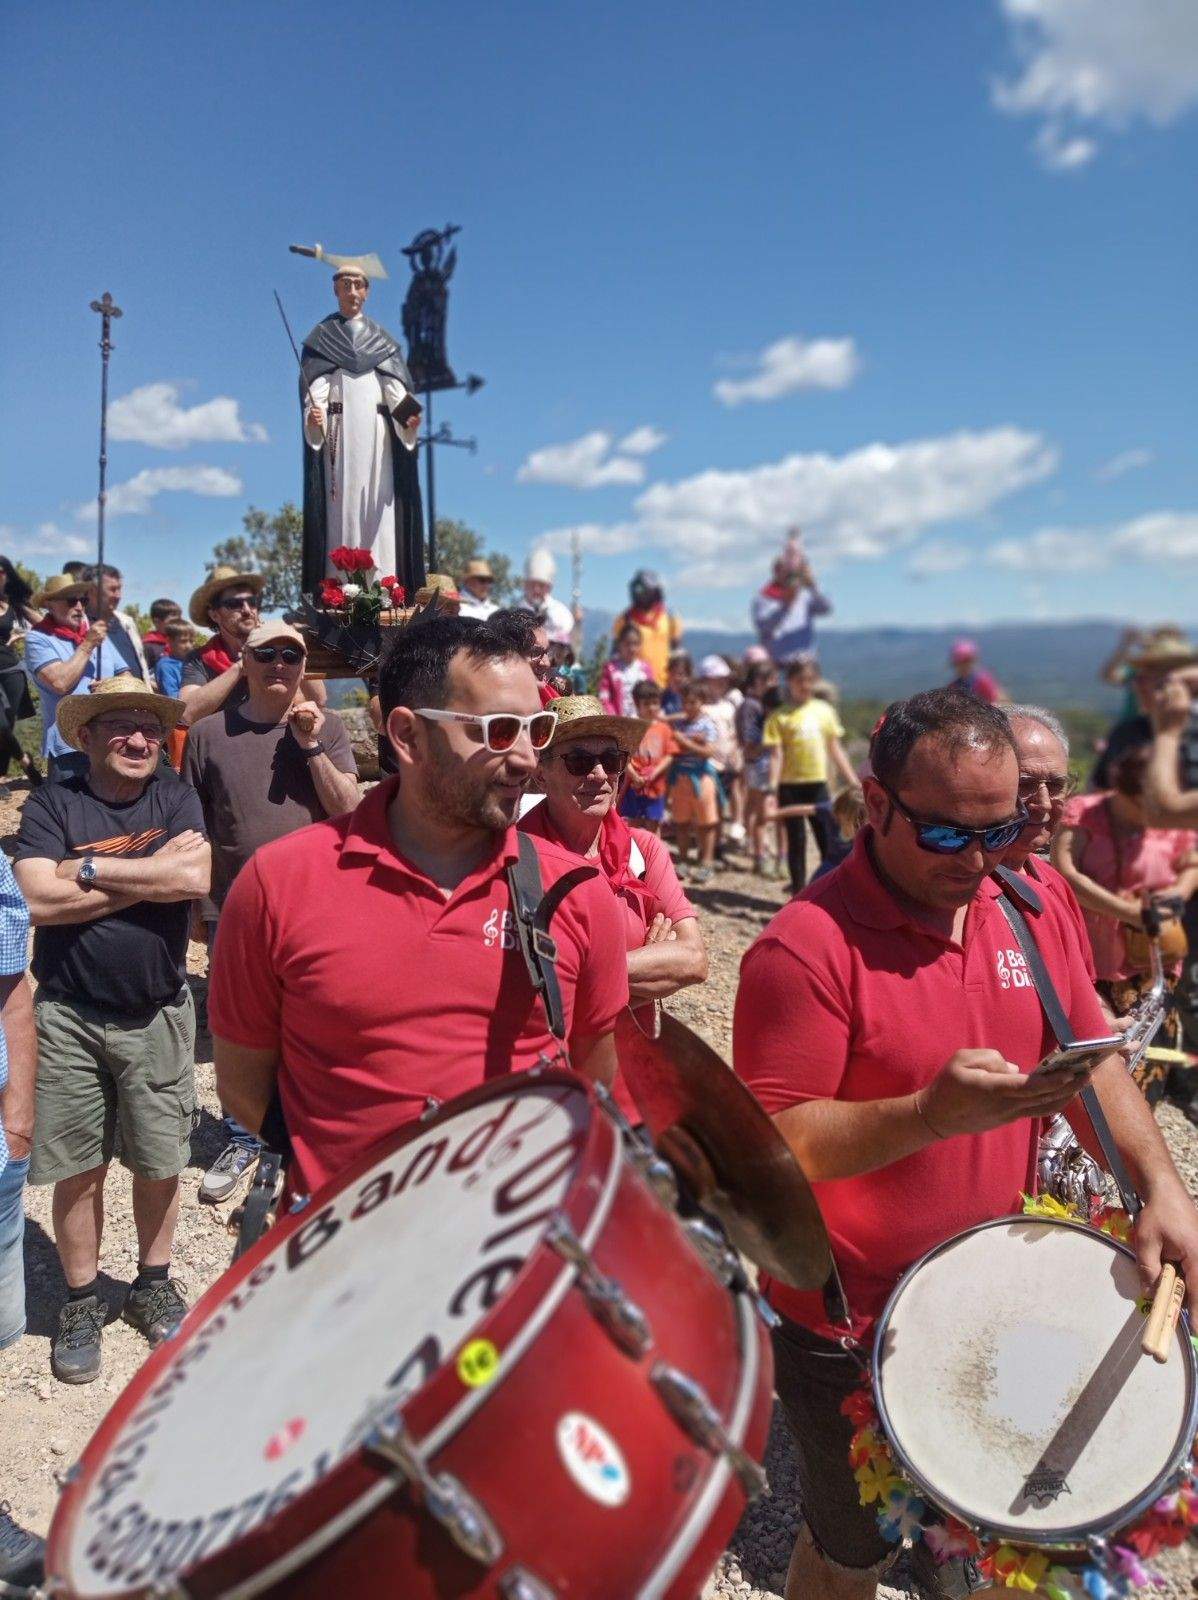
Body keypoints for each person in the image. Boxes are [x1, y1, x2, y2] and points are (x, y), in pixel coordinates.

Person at [733, 688, 1198, 1600]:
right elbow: (773, 1145)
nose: (979, 860)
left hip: (993, 1289)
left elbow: (1091, 1059)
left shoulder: (1025, 897)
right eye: (948, 835)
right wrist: (927, 1116)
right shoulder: (804, 949)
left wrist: (1160, 1189)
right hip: (848, 1326)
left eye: (1000, 829)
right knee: (849, 1554)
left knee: (998, 1550)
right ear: (875, 805)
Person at [208, 615, 628, 1200]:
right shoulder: (277, 885)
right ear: (407, 736)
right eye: (501, 731)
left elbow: (593, 1080)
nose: (529, 759)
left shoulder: (577, 896)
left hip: (514, 1254)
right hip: (337, 1258)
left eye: (538, 728)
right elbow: (245, 1092)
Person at [13, 678, 210, 1383]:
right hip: (68, 1015)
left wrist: (88, 869)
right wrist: (150, 871)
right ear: (87, 737)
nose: (137, 740)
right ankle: (81, 1299)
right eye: (119, 727)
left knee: (160, 1161)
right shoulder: (53, 802)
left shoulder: (177, 795)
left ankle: (152, 1281)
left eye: (148, 728)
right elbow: (35, 896)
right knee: (79, 1168)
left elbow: (194, 878)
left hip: (157, 1010)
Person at [184, 621, 360, 1202]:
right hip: (233, 906)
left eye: (292, 654)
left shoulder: (328, 727)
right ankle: (245, 1135)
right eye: (267, 653)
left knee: (316, 1019)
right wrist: (198, 908)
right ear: (245, 660)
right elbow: (197, 826)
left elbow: (350, 811)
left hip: (317, 904)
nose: (279, 663)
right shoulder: (208, 734)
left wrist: (310, 747)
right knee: (241, 1028)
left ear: (304, 666)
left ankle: (311, 1130)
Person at [520, 694, 707, 1115]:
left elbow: (694, 960)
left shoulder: (644, 851)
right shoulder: (518, 858)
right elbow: (526, 987)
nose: (600, 774)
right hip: (549, 1086)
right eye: (579, 761)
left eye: (611, 758)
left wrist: (576, 975)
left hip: (634, 1079)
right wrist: (646, 961)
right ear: (541, 771)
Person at [299, 256, 425, 596]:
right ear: (335, 290)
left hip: (378, 439)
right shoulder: (322, 338)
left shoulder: (382, 341)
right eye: (345, 285)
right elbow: (316, 391)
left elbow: (397, 392)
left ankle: (384, 587)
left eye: (358, 284)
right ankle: (339, 589)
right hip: (338, 439)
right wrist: (314, 416)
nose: (352, 291)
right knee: (340, 507)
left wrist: (410, 418)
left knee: (380, 505)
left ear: (367, 292)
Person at [1051, 739, 1196, 1001]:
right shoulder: (1084, 813)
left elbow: (1191, 864)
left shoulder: (1171, 819)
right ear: (1123, 791)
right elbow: (1065, 875)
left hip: (1154, 951)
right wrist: (1127, 912)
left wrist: (1176, 894)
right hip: (1093, 952)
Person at [764, 658, 858, 895]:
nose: (805, 685)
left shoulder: (824, 711)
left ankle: (831, 891)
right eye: (799, 680)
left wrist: (854, 782)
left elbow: (835, 748)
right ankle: (797, 894)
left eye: (809, 680)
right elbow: (776, 756)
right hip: (789, 785)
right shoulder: (778, 717)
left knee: (828, 839)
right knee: (796, 843)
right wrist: (771, 791)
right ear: (790, 681)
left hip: (818, 784)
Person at [23, 575, 127, 783]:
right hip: (68, 749)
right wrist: (88, 645)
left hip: (109, 744)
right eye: (71, 601)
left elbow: (125, 674)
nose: (79, 607)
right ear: (49, 605)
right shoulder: (39, 639)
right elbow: (60, 683)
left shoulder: (97, 635)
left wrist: (112, 686)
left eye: (83, 601)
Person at [751, 535, 832, 666]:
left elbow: (826, 608)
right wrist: (786, 605)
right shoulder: (764, 597)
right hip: (778, 665)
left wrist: (813, 585)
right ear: (776, 571)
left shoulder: (805, 595)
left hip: (806, 665)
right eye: (784, 570)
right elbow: (763, 626)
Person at [669, 682, 721, 885]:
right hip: (680, 777)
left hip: (701, 777)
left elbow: (709, 751)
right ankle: (682, 859)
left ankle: (706, 861)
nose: (689, 706)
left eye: (694, 702)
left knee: (706, 823)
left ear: (701, 703)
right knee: (681, 821)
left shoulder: (707, 724)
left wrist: (685, 742)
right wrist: (690, 742)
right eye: (686, 702)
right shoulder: (680, 724)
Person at [0, 558, 41, 788]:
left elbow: (42, 622)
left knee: (6, 723)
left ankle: (1, 777)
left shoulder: (12, 603)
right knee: (1, 726)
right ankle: (25, 761)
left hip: (12, 669)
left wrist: (19, 637)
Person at [737, 660, 779, 875]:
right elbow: (750, 741)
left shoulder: (754, 704)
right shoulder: (752, 706)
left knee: (754, 807)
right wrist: (774, 742)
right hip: (759, 763)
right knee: (760, 811)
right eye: (770, 680)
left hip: (757, 762)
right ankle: (759, 855)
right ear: (758, 681)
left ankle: (755, 849)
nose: (774, 684)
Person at [620, 679, 677, 835]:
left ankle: (654, 857)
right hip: (634, 785)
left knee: (654, 824)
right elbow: (624, 756)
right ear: (638, 705)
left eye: (655, 703)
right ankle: (633, 856)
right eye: (646, 704)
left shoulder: (664, 729)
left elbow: (670, 755)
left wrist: (655, 773)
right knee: (633, 823)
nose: (652, 708)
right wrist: (634, 775)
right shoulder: (631, 728)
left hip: (656, 786)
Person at [611, 569, 681, 684]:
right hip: (635, 687)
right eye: (636, 588)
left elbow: (677, 652)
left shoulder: (670, 617)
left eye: (643, 589)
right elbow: (615, 653)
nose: (639, 593)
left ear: (655, 591)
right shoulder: (625, 619)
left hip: (665, 686)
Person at [83, 564, 150, 681]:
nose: (118, 595)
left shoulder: (126, 623)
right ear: (92, 591)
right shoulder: (81, 625)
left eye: (119, 588)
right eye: (113, 589)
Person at [490, 607, 559, 706]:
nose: (546, 663)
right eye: (535, 653)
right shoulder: (489, 705)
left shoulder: (554, 700)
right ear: (506, 655)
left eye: (547, 653)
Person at [515, 549, 575, 643]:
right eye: (532, 584)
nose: (536, 590)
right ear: (525, 585)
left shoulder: (562, 614)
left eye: (541, 585)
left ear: (549, 587)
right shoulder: (514, 613)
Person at [598, 623, 655, 717]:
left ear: (640, 645)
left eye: (635, 644)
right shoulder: (610, 669)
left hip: (642, 722)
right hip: (618, 721)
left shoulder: (646, 669)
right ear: (620, 644)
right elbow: (604, 698)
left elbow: (652, 696)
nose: (632, 648)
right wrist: (615, 719)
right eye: (628, 644)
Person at [947, 637, 1004, 704]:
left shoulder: (983, 681)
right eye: (960, 662)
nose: (963, 666)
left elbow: (997, 701)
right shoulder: (954, 685)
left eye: (966, 661)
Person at [153, 617, 196, 698]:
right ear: (169, 641)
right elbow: (173, 698)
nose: (189, 646)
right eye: (183, 641)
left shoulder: (194, 662)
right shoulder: (166, 666)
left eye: (191, 641)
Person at [141, 598, 183, 673]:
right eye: (173, 621)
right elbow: (142, 674)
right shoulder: (148, 646)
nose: (178, 624)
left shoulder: (181, 644)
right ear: (157, 621)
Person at [661, 649, 692, 719]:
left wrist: (667, 718)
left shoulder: (691, 695)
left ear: (688, 676)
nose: (676, 678)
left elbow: (689, 714)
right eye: (673, 673)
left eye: (681, 674)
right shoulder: (663, 696)